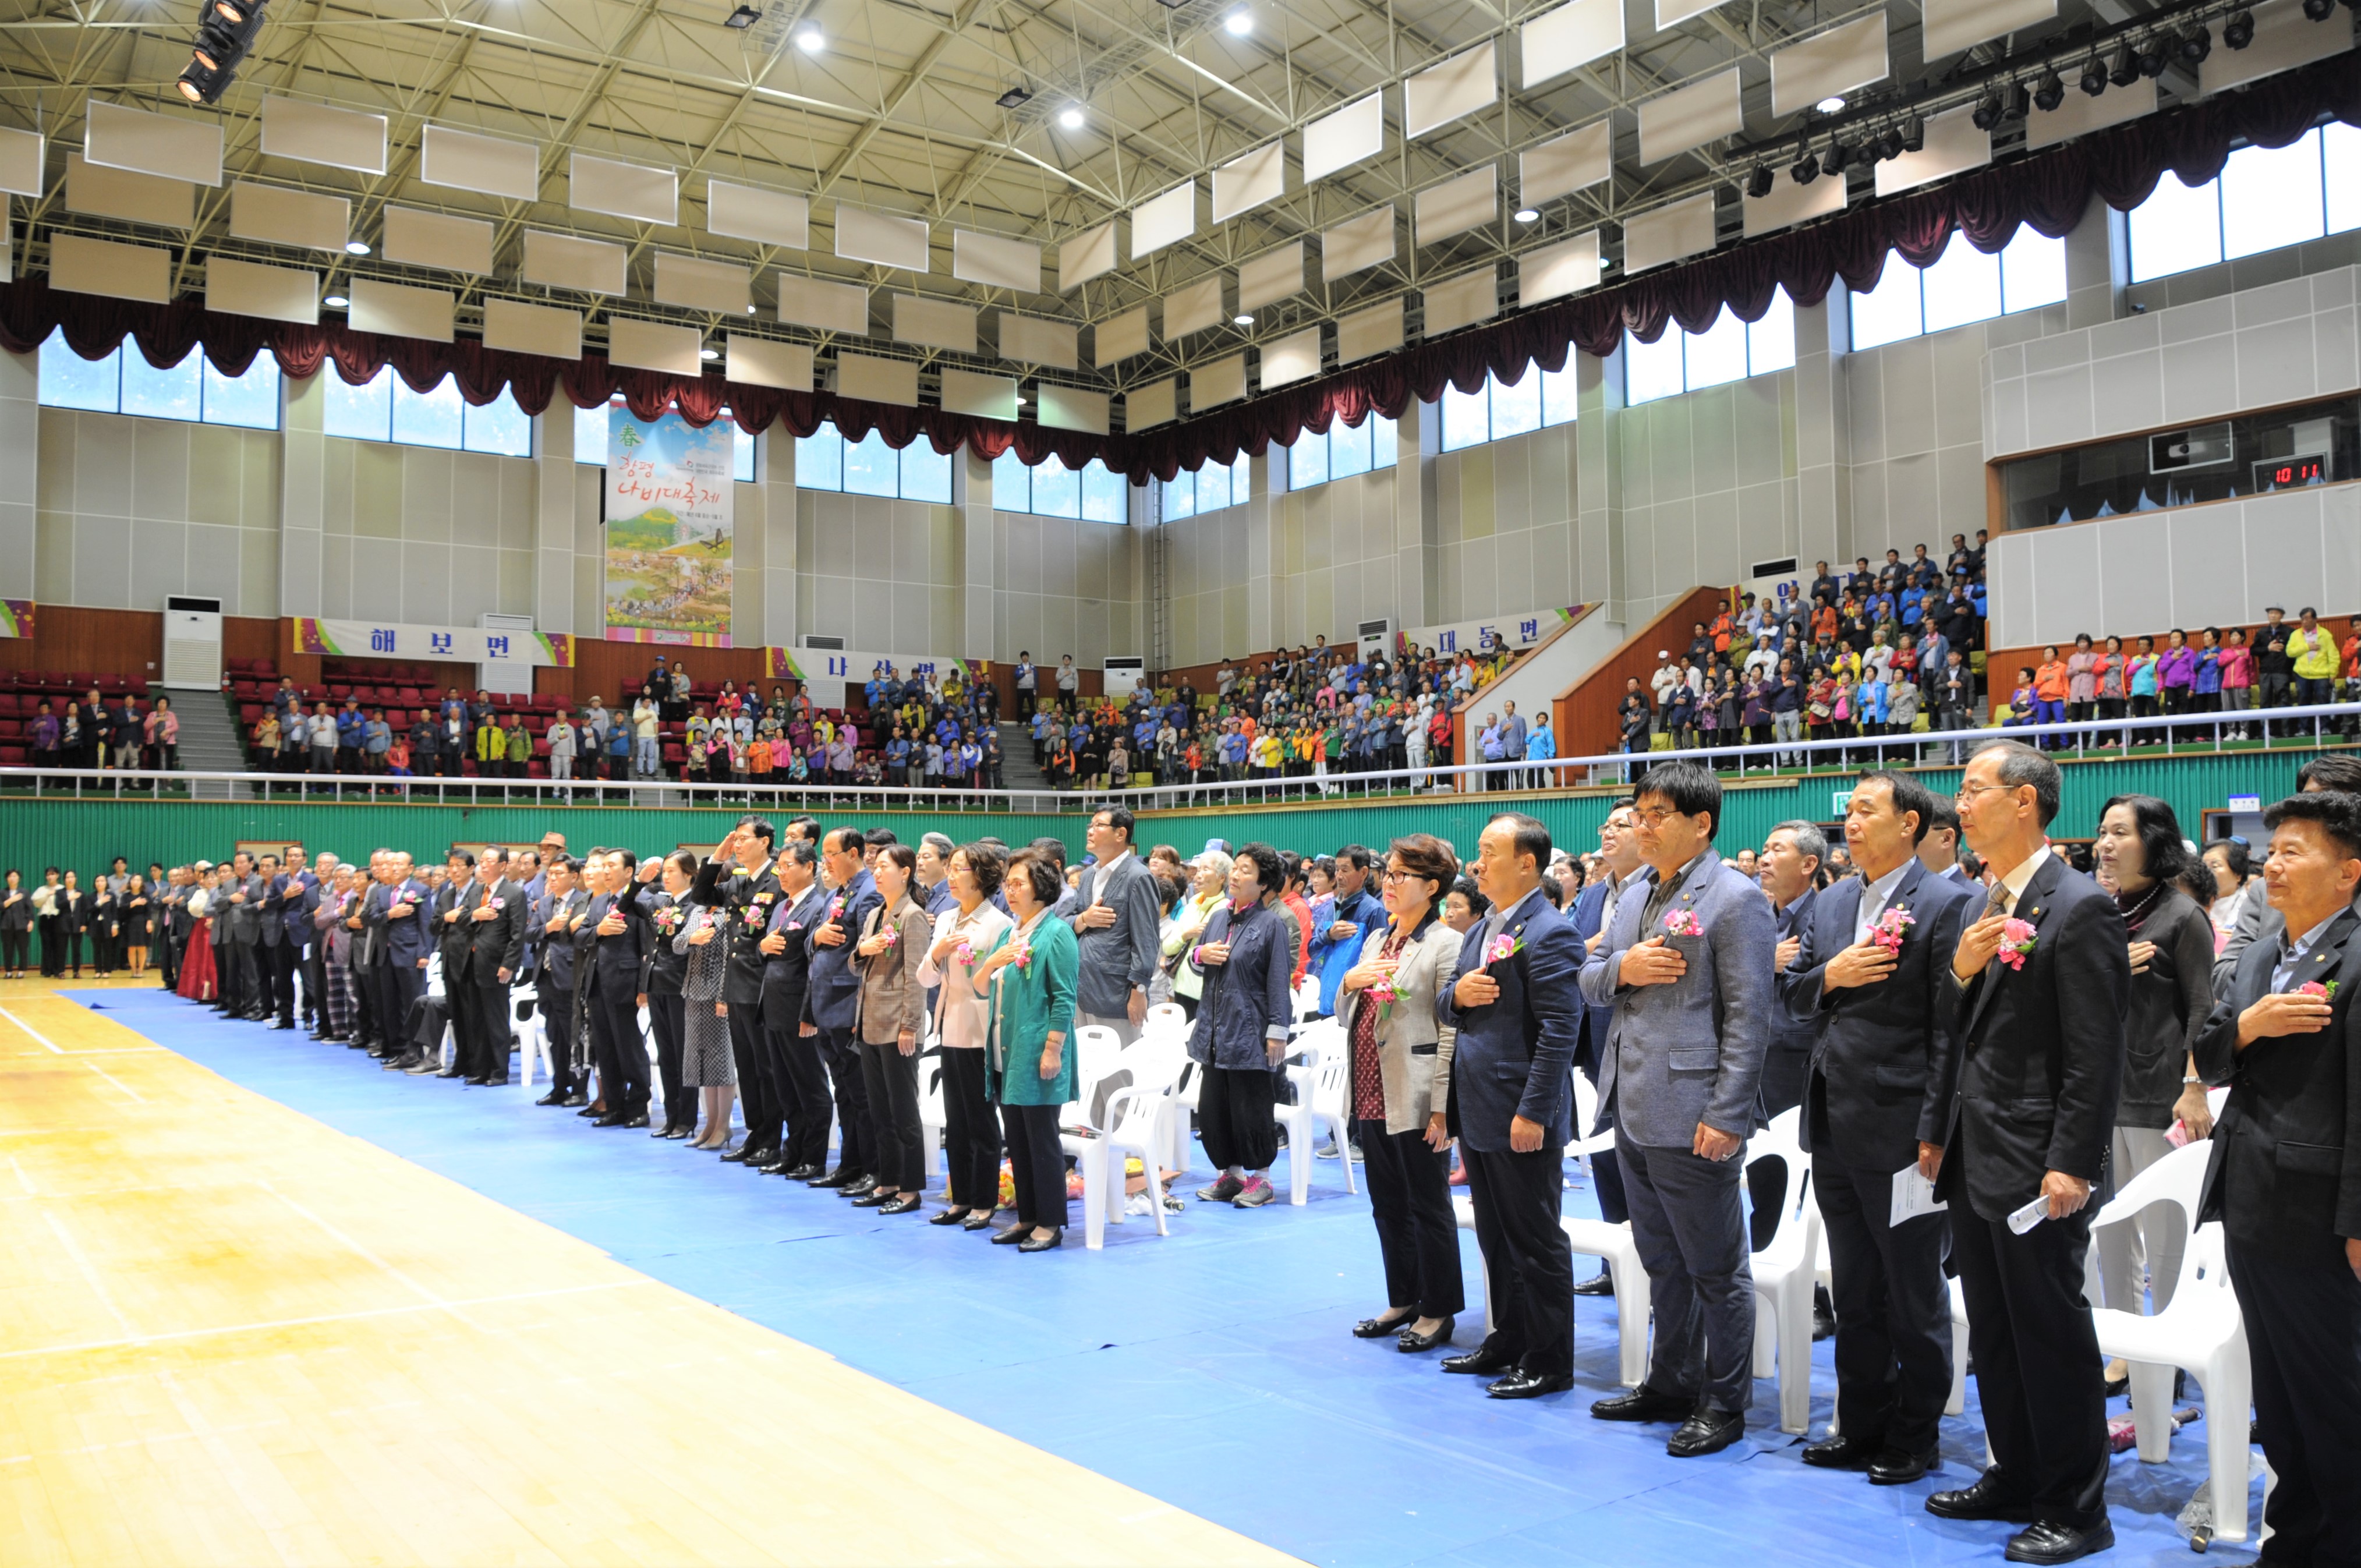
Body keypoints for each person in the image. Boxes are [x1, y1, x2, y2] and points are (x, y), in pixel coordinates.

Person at [1922, 740, 2127, 1564]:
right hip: (1976, 1153)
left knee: (2050, 1335)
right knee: (1997, 1333)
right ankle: (2012, 1473)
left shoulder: (2077, 906)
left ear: (2023, 801)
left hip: (2038, 1160)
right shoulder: (1981, 902)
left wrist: (2071, 1161)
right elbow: (1956, 1028)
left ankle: (2075, 1507)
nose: (1959, 804)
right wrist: (1958, 972)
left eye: (1973, 789)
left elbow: (2094, 1053)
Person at [1779, 771, 1974, 1485]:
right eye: (1850, 811)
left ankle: (1914, 1433)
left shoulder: (1948, 901)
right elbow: (1792, 994)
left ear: (1910, 824)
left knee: (1910, 1288)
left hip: (1902, 1126)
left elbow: (1950, 1028)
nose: (1852, 821)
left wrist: (1935, 1127)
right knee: (1854, 1286)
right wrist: (1832, 974)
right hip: (1832, 1119)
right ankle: (1859, 1423)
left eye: (1867, 810)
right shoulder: (1832, 900)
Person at [1580, 763, 1774, 1454]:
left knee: (1715, 1268)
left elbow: (1750, 1017)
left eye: (1657, 813)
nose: (1642, 824)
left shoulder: (1735, 897)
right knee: (1660, 1258)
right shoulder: (1634, 891)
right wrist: (1623, 968)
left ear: (1701, 823)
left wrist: (1726, 1113)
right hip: (1631, 1103)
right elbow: (1590, 979)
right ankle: (1670, 1381)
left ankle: (1723, 1402)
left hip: (1694, 1109)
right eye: (1638, 812)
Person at [2192, 789, 2361, 1567]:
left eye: (2294, 851)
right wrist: (2247, 1025)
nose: (2272, 864)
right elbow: (2208, 1054)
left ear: (2348, 872)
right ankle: (2291, 1540)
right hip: (2249, 1197)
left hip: (2319, 1211)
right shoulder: (2261, 952)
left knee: (2333, 1399)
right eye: (2271, 850)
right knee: (2280, 1397)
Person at [1432, 812, 1581, 1400]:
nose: (1477, 862)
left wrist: (1534, 1111)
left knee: (1535, 1241)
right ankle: (1509, 1337)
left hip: (1519, 1110)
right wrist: (1458, 995)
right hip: (1478, 1105)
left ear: (1526, 862)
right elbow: (1446, 1003)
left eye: (1489, 851)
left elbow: (1560, 1030)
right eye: (1478, 850)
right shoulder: (1482, 927)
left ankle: (1548, 1358)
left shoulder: (1549, 931)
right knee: (1496, 1237)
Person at [2088, 794, 2216, 1346]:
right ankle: (2124, 1348)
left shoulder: (2182, 916)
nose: (2105, 843)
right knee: (2112, 1231)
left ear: (2153, 841)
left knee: (2163, 1235)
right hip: (2102, 1093)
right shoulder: (2101, 912)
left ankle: (2169, 1347)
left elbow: (2203, 1009)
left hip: (2159, 1094)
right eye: (2103, 831)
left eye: (2120, 832)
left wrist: (2193, 1086)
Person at [1334, 833, 1466, 1353]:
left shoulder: (1446, 943)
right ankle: (1403, 1298)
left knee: (1427, 1204)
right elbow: (1346, 1013)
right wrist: (1349, 982)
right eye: (1386, 873)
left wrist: (1442, 1106)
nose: (1388, 883)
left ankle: (1438, 1309)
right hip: (1372, 1088)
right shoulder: (1376, 939)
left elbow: (1451, 1029)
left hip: (1415, 1091)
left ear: (1431, 886)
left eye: (1401, 875)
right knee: (1387, 1204)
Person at [974, 847, 1079, 1251]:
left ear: (1041, 888)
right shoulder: (1010, 933)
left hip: (1037, 1052)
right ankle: (1028, 1216)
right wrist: (990, 963)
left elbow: (1064, 997)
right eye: (1008, 884)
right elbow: (982, 988)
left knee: (1042, 1141)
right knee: (1017, 1141)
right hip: (1007, 1051)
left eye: (1018, 883)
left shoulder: (1057, 933)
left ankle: (1050, 1224)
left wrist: (1053, 1049)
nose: (1010, 890)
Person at [1186, 843, 1298, 1210]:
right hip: (1214, 1032)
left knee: (1251, 1109)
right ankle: (1230, 1174)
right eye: (1235, 868)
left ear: (1264, 883)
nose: (1235, 875)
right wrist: (1202, 954)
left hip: (1249, 1033)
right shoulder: (1219, 917)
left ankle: (1262, 1178)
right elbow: (1196, 962)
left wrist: (1277, 1032)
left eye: (1245, 871)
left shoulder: (1271, 925)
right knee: (1214, 1109)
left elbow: (1279, 981)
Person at [915, 843, 1014, 1229]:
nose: (952, 876)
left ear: (982, 876)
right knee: (955, 1120)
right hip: (949, 1025)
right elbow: (925, 978)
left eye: (960, 869)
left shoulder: (999, 924)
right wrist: (937, 952)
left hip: (979, 1030)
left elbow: (999, 983)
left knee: (980, 1120)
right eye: (951, 869)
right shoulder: (946, 918)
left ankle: (984, 1202)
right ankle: (961, 1198)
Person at [1564, 805, 1642, 1292]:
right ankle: (1616, 1266)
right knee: (1606, 1159)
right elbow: (1573, 953)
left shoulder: (1658, 888)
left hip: (1640, 1041)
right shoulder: (1593, 894)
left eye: (1620, 825)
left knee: (1643, 1166)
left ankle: (1651, 1274)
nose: (1608, 832)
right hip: (1596, 1041)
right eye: (1606, 826)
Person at [850, 845, 933, 1215]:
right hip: (870, 1022)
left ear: (905, 872)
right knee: (879, 1110)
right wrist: (862, 950)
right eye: (876, 867)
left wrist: (910, 1026)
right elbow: (856, 965)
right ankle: (888, 1181)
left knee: (903, 1110)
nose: (877, 872)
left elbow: (915, 978)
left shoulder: (912, 916)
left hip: (897, 1025)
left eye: (885, 866)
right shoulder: (875, 914)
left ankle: (910, 1189)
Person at [691, 823, 781, 1156]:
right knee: (747, 1067)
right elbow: (701, 896)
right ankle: (754, 1135)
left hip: (762, 986)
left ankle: (771, 1140)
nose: (738, 844)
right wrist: (717, 858)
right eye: (736, 839)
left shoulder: (778, 879)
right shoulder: (738, 880)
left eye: (743, 839)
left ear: (765, 842)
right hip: (736, 985)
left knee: (766, 1068)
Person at [805, 828, 882, 1191]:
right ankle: (850, 1164)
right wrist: (816, 937)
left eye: (831, 854)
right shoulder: (838, 891)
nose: (826, 862)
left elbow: (869, 955)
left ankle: (872, 1169)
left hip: (849, 1004)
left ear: (853, 853)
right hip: (826, 1003)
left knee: (862, 1095)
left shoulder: (869, 892)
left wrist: (860, 1012)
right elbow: (813, 938)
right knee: (844, 1092)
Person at [756, 838, 833, 1174]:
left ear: (809, 867)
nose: (782, 873)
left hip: (799, 1008)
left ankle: (814, 1158)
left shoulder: (819, 906)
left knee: (810, 1086)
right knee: (785, 1088)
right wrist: (762, 946)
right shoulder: (780, 907)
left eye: (788, 866)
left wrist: (809, 1013)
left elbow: (816, 965)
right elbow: (766, 952)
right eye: (779, 868)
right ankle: (793, 1153)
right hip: (773, 1006)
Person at [1066, 808, 1161, 1046]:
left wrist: (1139, 991)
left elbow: (1146, 941)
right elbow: (1066, 921)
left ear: (1120, 834)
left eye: (1098, 825)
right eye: (1090, 825)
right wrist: (1084, 919)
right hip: (1082, 988)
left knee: (1117, 1065)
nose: (1090, 831)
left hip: (1117, 994)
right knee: (1086, 1064)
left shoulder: (1138, 877)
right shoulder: (1087, 876)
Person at [1757, 820, 1825, 1120]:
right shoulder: (1757, 916)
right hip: (1752, 1056)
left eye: (1777, 850)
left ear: (1808, 864)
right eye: (1764, 851)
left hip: (1794, 1058)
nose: (1764, 859)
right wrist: (1764, 963)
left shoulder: (1826, 915)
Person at [671, 865, 736, 1150]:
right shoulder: (698, 911)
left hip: (717, 995)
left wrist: (724, 996)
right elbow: (677, 944)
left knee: (722, 1062)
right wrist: (691, 939)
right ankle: (709, 1124)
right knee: (702, 1062)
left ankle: (723, 1125)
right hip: (693, 991)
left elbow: (728, 958)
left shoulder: (729, 913)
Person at [643, 851, 698, 1139]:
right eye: (663, 871)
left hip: (680, 986)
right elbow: (628, 904)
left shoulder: (695, 906)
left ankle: (686, 1119)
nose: (665, 876)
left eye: (671, 871)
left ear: (689, 873)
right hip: (657, 984)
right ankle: (671, 1116)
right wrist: (640, 882)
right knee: (666, 1055)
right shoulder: (662, 902)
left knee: (682, 1055)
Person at [1, 869, 29, 979]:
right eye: (10, 876)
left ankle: (22, 971)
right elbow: (1, 906)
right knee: (8, 949)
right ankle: (8, 971)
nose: (12, 878)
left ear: (19, 878)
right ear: (7, 879)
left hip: (22, 925)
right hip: (6, 925)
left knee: (23, 948)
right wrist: (12, 900)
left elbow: (29, 908)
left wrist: (30, 922)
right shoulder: (3, 892)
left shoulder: (24, 892)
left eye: (14, 876)